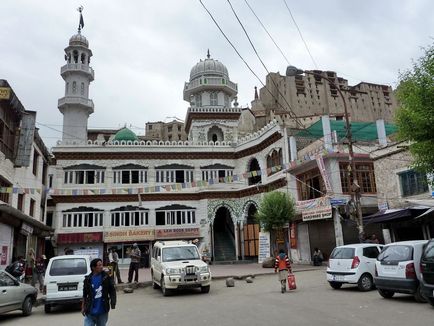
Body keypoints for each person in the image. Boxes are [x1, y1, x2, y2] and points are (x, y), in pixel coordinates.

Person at [82, 258, 116, 326]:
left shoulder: (106, 277)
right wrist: (83, 307)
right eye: (99, 265)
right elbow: (85, 295)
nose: (101, 267)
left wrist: (113, 302)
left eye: (101, 265)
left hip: (102, 310)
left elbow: (112, 290)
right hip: (90, 310)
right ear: (93, 267)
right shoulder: (88, 279)